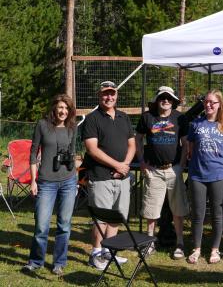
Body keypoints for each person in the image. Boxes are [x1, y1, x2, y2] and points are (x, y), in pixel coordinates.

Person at [82, 81, 135, 270]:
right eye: (105, 94)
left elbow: (132, 145)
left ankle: (109, 252)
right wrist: (118, 165)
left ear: (117, 95)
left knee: (116, 216)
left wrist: (125, 166)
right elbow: (92, 150)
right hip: (101, 176)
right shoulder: (92, 119)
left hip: (122, 177)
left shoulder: (124, 117)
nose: (109, 97)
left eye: (112, 93)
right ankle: (96, 253)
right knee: (101, 217)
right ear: (99, 95)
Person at [22, 94, 78, 276]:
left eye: (66, 108)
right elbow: (33, 153)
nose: (63, 111)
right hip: (46, 182)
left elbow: (73, 152)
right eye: (60, 107)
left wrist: (75, 176)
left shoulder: (72, 127)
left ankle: (59, 263)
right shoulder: (42, 125)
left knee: (64, 225)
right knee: (41, 226)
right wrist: (33, 180)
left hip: (68, 182)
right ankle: (36, 261)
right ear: (54, 108)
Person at [135, 86, 189, 259]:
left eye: (169, 98)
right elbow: (138, 139)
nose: (165, 100)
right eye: (162, 98)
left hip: (174, 169)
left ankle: (180, 243)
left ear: (173, 101)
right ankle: (150, 242)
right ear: (157, 100)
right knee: (152, 210)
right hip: (154, 171)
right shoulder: (147, 117)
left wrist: (181, 165)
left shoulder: (180, 118)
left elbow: (186, 143)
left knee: (178, 209)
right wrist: (142, 162)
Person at [186, 89, 223, 264]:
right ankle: (196, 249)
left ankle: (215, 249)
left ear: (219, 104)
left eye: (212, 102)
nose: (208, 105)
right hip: (197, 175)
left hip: (218, 174)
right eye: (206, 102)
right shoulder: (196, 124)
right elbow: (190, 148)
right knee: (197, 214)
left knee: (217, 214)